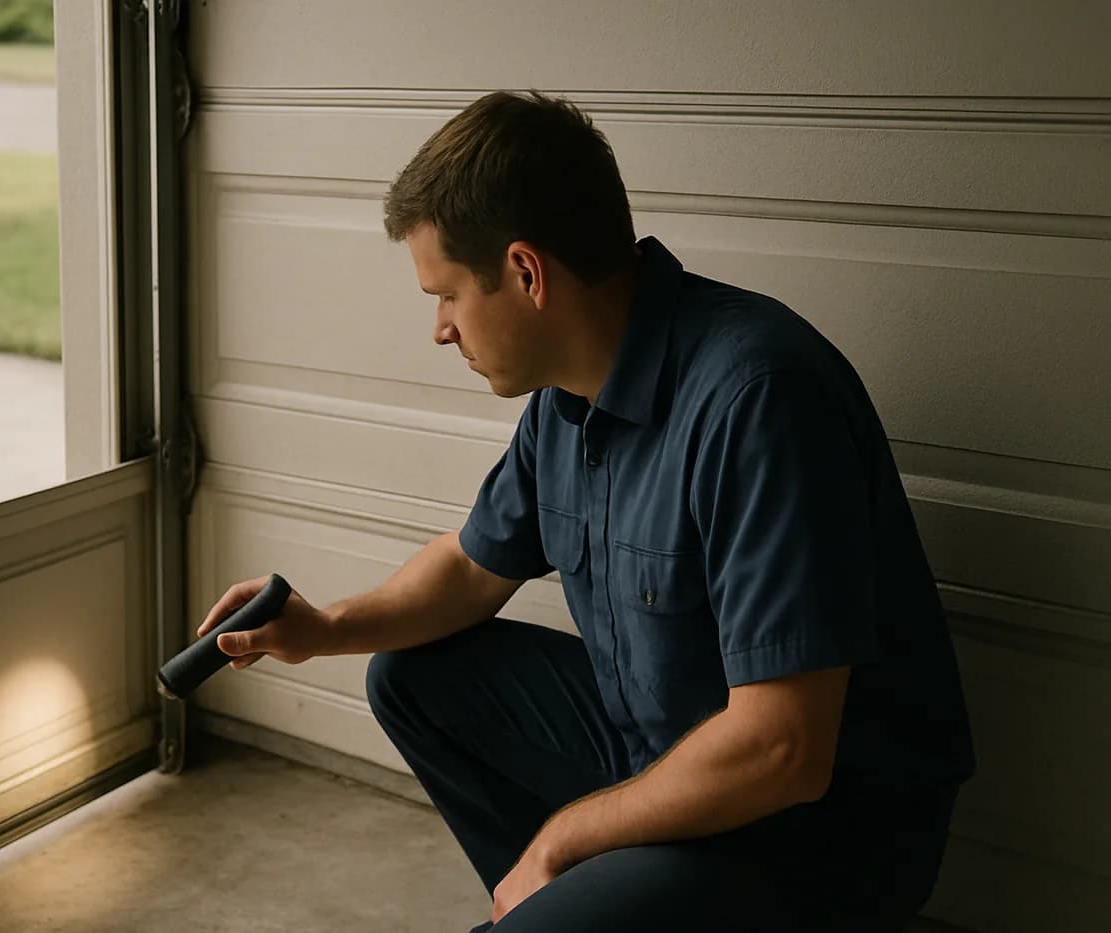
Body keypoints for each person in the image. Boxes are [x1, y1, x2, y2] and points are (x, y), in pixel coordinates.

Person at [194, 90, 976, 932]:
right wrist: (323, 626)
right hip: (666, 748)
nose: (440, 329)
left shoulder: (760, 400)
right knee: (411, 676)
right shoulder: (568, 397)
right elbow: (469, 566)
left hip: (814, 837)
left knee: (563, 861)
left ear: (527, 273)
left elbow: (783, 749)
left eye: (448, 293)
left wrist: (563, 837)